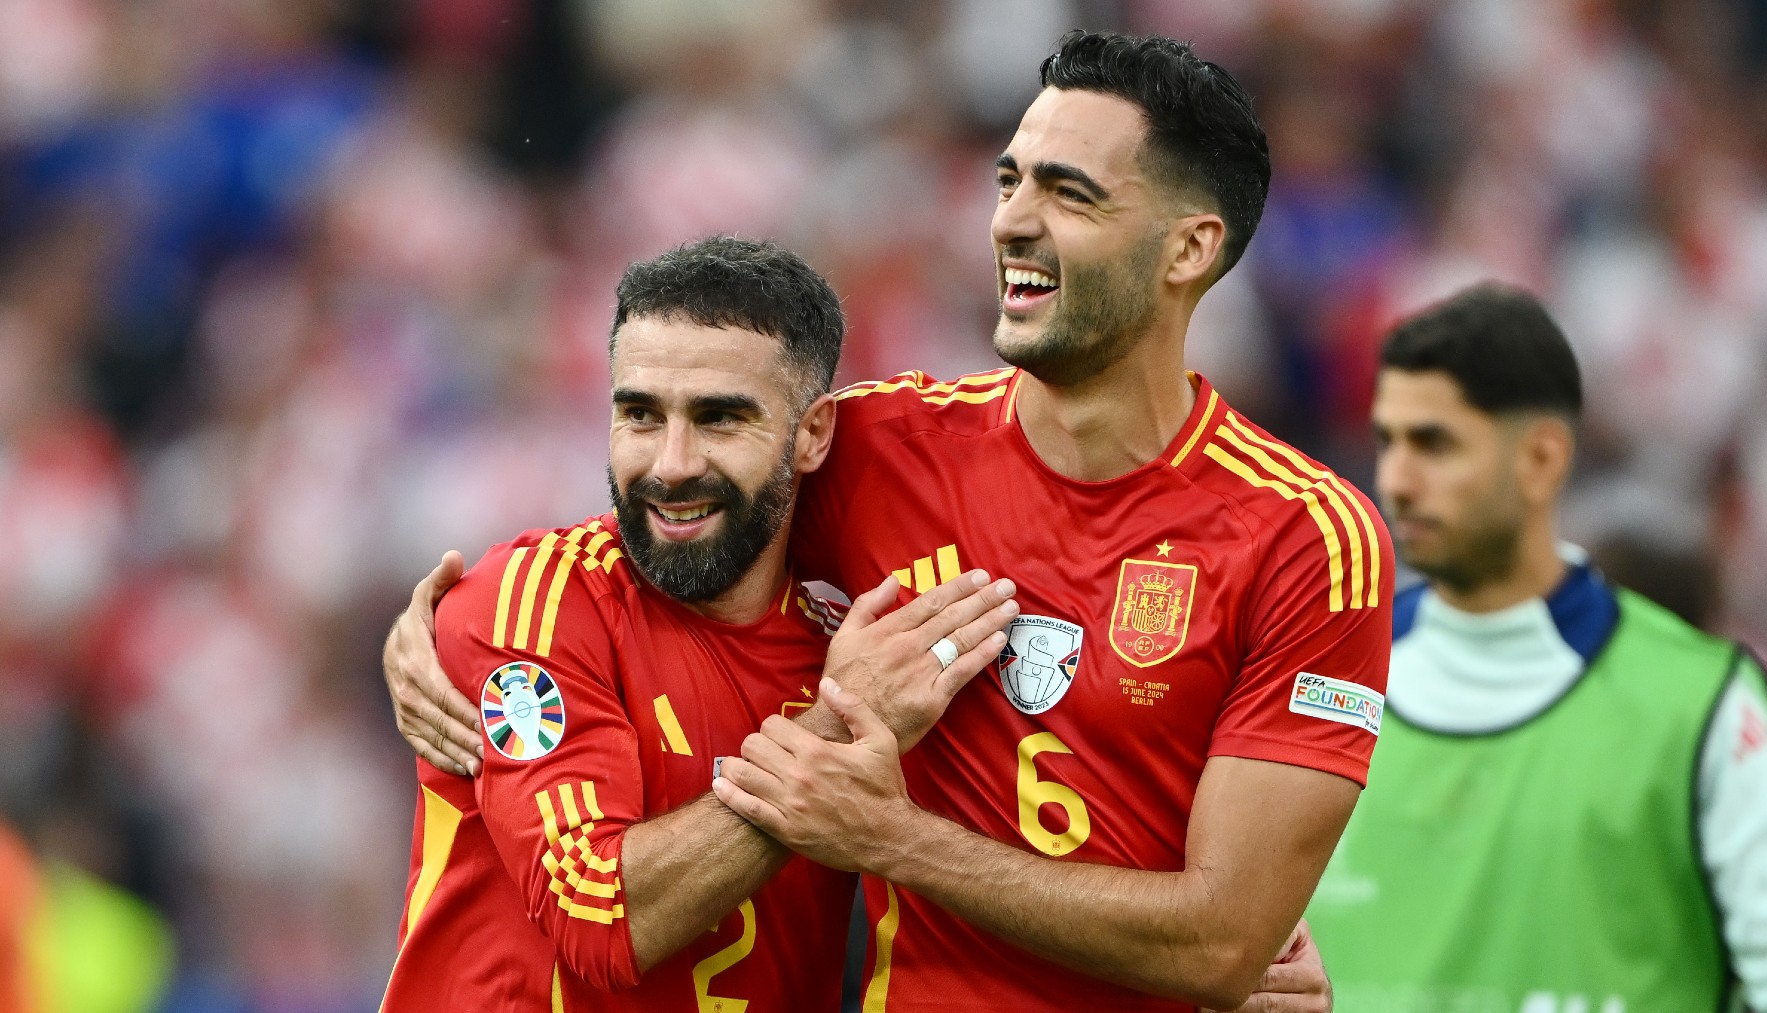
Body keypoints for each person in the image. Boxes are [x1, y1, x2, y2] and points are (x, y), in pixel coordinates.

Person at [387, 31, 1383, 1012]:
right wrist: (437, 633)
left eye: (1068, 192)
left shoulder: (1305, 537)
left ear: (1190, 247)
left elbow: (1221, 940)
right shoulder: (872, 447)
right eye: (1008, 182)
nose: (1011, 222)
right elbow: (658, 522)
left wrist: (893, 837)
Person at [378, 236, 1023, 1011]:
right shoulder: (531, 602)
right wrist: (831, 727)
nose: (672, 462)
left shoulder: (848, 643)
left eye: (720, 418)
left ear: (812, 434)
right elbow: (600, 918)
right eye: (640, 415)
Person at [1304, 284, 1767, 1013]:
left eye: (1435, 443)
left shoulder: (1702, 699)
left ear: (1541, 458)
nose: (1397, 482)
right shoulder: (1318, 673)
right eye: (1388, 440)